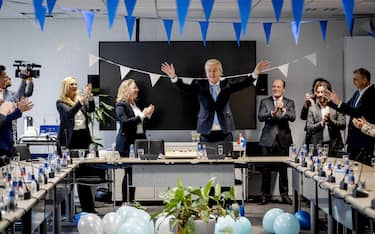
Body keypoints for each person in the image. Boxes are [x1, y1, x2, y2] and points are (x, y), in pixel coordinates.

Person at [161, 59, 270, 142]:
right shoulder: (199, 85)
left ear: (220, 72)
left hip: (225, 131)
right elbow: (185, 88)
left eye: (214, 70)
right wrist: (173, 77)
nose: (212, 73)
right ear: (206, 73)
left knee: (227, 162)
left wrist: (255, 73)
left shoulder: (227, 85)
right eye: (209, 71)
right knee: (206, 164)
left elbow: (244, 83)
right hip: (205, 132)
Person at [56, 76, 102, 213]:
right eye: (72, 84)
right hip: (69, 140)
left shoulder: (78, 100)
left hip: (83, 137)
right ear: (66, 87)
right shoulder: (60, 102)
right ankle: (65, 210)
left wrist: (90, 97)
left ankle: (88, 208)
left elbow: (92, 109)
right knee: (67, 177)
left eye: (76, 84)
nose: (75, 86)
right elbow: (69, 114)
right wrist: (81, 102)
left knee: (83, 175)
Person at [115, 79, 154, 202]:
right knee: (129, 173)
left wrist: (147, 115)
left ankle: (131, 202)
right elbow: (126, 123)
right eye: (134, 88)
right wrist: (143, 114)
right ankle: (126, 203)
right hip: (127, 145)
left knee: (134, 174)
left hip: (138, 143)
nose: (137, 90)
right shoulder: (121, 105)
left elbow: (139, 125)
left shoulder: (134, 105)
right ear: (126, 90)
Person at [258, 79, 295, 205]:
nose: (275, 89)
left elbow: (293, 117)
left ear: (283, 89)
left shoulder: (289, 102)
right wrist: (272, 112)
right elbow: (260, 116)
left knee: (283, 170)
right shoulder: (265, 101)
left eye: (278, 87)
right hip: (267, 140)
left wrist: (283, 110)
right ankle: (265, 195)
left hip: (283, 140)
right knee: (265, 170)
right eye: (274, 86)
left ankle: (284, 195)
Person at [326, 68, 375, 164]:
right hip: (353, 141)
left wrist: (339, 102)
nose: (353, 82)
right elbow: (346, 108)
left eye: (356, 79)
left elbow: (358, 113)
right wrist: (330, 101)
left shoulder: (372, 93)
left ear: (365, 80)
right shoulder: (358, 93)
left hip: (364, 141)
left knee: (362, 173)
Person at [306, 83, 346, 156]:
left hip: (335, 146)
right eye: (318, 92)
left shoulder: (337, 107)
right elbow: (309, 128)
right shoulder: (312, 109)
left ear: (328, 93)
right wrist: (321, 123)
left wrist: (330, 122)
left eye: (323, 92)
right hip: (318, 147)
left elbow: (343, 125)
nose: (320, 94)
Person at [300, 78, 330, 144]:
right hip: (312, 133)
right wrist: (305, 104)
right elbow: (303, 117)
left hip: (325, 132)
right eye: (316, 86)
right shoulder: (310, 100)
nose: (317, 87)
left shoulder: (327, 101)